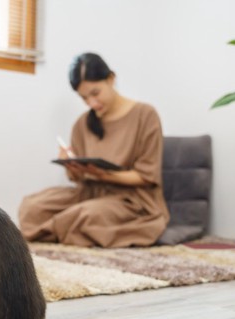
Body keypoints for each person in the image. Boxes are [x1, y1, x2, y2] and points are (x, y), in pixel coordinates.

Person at [18, 52, 169, 248]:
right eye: (84, 98)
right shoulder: (82, 124)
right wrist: (70, 165)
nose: (91, 103)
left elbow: (146, 176)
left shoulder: (145, 115)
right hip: (89, 193)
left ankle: (57, 230)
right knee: (31, 207)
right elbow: (78, 179)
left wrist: (103, 175)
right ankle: (64, 230)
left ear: (111, 79)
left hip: (132, 201)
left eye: (95, 93)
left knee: (84, 215)